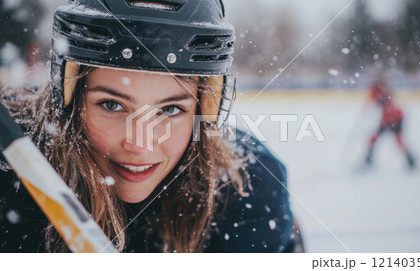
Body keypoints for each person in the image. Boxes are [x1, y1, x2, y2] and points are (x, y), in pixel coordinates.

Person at [0, 0, 304, 252]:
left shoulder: (248, 191)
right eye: (112, 105)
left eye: (170, 110)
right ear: (69, 99)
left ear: (203, 111)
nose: (141, 145)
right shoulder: (12, 169)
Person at [364, 76, 415, 169]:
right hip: (388, 119)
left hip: (394, 119)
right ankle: (368, 161)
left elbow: (382, 100)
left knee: (398, 141)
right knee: (374, 139)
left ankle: (411, 161)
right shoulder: (382, 92)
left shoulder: (382, 93)